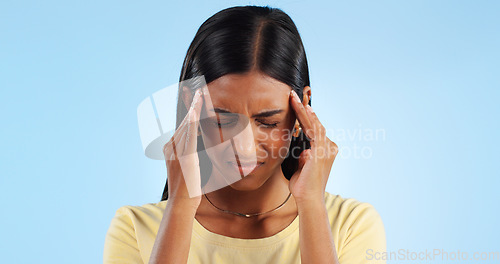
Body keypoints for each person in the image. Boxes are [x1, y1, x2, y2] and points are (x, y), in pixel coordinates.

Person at [103, 5, 386, 264]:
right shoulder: (135, 228)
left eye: (268, 122)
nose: (245, 148)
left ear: (302, 110)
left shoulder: (351, 225)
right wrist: (181, 205)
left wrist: (311, 204)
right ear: (192, 107)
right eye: (222, 121)